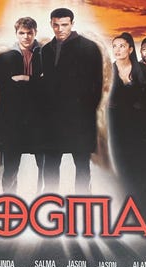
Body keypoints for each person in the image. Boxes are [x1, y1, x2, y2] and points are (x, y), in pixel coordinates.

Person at [41, 8, 103, 193]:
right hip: (52, 119)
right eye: (56, 25)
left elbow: (97, 85)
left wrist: (85, 112)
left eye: (64, 25)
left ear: (72, 24)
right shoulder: (46, 50)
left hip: (79, 119)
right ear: (51, 24)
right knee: (50, 166)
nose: (60, 29)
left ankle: (83, 202)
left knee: (82, 165)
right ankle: (50, 202)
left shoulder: (89, 47)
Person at [0, 17, 44, 193]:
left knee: (44, 168)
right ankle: (9, 201)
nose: (26, 36)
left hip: (40, 119)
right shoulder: (4, 57)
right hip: (13, 120)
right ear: (16, 34)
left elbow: (51, 85)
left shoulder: (46, 55)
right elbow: (4, 86)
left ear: (35, 33)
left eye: (30, 33)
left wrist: (25, 78)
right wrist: (37, 81)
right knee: (10, 169)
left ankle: (43, 200)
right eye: (22, 33)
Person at [107, 32, 146, 189]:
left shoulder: (141, 70)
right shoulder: (108, 70)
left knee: (138, 157)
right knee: (118, 156)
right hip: (115, 121)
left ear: (130, 49)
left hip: (138, 121)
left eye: (122, 46)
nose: (117, 50)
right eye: (114, 46)